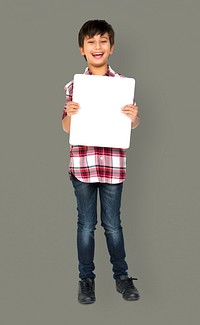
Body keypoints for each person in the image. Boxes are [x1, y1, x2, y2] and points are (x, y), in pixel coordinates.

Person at [62, 20, 140, 304]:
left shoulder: (123, 86)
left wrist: (134, 118)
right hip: (83, 164)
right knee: (85, 224)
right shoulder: (73, 85)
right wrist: (70, 112)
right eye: (91, 42)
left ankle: (121, 276)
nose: (98, 47)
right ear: (82, 49)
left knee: (112, 225)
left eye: (103, 41)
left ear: (112, 47)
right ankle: (86, 279)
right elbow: (66, 127)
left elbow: (130, 124)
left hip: (113, 165)